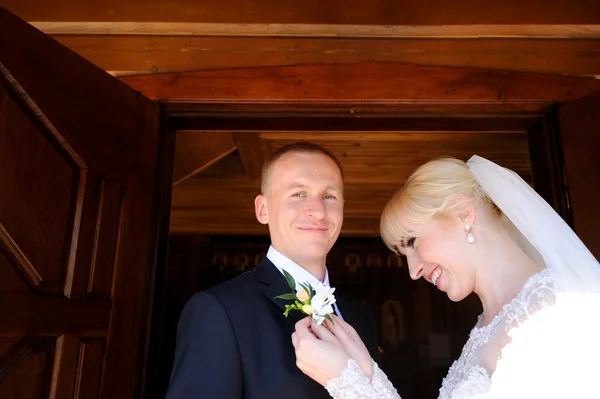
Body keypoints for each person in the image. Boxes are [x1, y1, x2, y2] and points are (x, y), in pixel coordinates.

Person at [292, 155, 600, 399]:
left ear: (463, 213)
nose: (413, 272)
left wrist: (345, 384)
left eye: (412, 242)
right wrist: (365, 372)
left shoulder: (558, 313)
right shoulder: (485, 328)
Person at [166, 142, 380, 399]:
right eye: (298, 194)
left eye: (329, 196)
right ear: (262, 209)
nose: (318, 211)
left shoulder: (360, 316)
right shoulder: (218, 310)